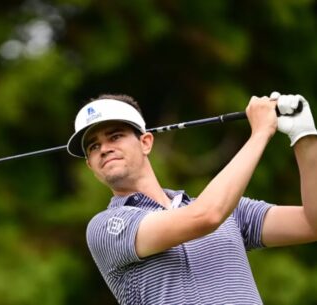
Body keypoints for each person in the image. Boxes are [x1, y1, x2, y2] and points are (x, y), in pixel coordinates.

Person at [66, 93, 317, 305]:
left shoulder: (230, 209)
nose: (104, 148)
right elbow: (206, 217)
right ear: (90, 164)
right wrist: (261, 133)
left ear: (145, 142)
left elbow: (311, 223)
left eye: (115, 136)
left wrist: (304, 137)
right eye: (93, 146)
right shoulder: (106, 227)